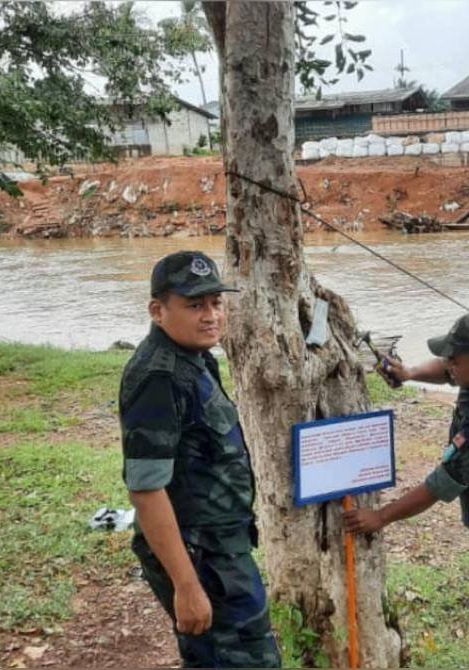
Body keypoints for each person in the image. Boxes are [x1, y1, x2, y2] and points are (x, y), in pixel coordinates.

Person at [343, 313, 469, 668]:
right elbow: (447, 369)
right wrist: (408, 373)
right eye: (450, 357)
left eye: (456, 361)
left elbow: (439, 485)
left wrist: (380, 516)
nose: (449, 365)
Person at [119, 251, 281, 668]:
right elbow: (146, 489)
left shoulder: (193, 356)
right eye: (194, 305)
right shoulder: (159, 376)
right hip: (202, 558)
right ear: (158, 310)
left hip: (221, 549)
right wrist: (186, 585)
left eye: (216, 303)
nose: (211, 315)